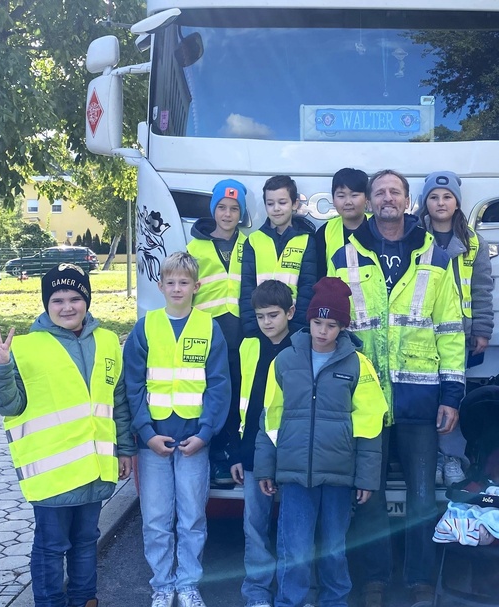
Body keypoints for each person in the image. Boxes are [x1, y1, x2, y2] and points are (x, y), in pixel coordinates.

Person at [328, 169, 466, 607]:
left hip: (419, 397)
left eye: (395, 191)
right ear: (369, 202)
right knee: (368, 496)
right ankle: (375, 580)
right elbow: (336, 329)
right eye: (380, 192)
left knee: (423, 496)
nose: (387, 198)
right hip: (365, 401)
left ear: (409, 200)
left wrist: (452, 394)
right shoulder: (343, 257)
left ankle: (421, 580)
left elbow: (450, 330)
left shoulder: (437, 257)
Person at [0, 263, 135, 607]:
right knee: (51, 546)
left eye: (75, 298)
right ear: (46, 304)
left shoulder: (108, 341)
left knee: (86, 541)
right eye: (57, 299)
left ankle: (85, 601)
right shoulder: (24, 348)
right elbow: (8, 405)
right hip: (52, 473)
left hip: (95, 468)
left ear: (87, 300)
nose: (67, 306)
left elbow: (118, 401)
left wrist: (124, 449)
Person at [254, 277, 388, 607]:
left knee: (334, 550)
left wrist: (367, 476)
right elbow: (270, 419)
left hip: (340, 478)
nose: (322, 331)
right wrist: (264, 468)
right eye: (317, 322)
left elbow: (370, 426)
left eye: (331, 325)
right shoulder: (284, 361)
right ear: (308, 320)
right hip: (295, 476)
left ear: (343, 326)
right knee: (294, 550)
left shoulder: (359, 365)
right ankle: (290, 602)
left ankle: (335, 602)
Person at [123, 251, 231, 607]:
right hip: (152, 439)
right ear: (160, 285)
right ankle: (162, 585)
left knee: (192, 516)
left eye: (184, 282)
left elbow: (218, 384)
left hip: (194, 441)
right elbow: (133, 385)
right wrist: (145, 431)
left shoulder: (208, 326)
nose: (177, 288)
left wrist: (206, 433)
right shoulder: (146, 326)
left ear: (196, 286)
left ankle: (187, 584)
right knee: (155, 518)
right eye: (170, 282)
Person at [418, 170, 495, 487]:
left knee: (453, 399)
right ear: (424, 203)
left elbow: (482, 289)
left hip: (457, 335)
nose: (440, 202)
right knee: (426, 399)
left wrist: (482, 329)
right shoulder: (414, 236)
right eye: (434, 197)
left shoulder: (474, 243)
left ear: (457, 203)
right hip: (420, 331)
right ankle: (431, 457)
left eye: (447, 196)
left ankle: (452, 459)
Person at [229, 279, 296, 607]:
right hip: (254, 449)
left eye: (273, 315)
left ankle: (290, 592)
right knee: (253, 526)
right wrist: (237, 453)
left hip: (291, 451)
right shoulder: (248, 347)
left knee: (292, 528)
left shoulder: (301, 348)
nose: (267, 322)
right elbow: (241, 404)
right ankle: (256, 592)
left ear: (290, 312)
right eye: (260, 316)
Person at [187, 178, 248, 485]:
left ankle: (230, 453)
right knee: (211, 393)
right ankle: (211, 455)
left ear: (241, 213)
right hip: (207, 332)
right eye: (221, 207)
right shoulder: (193, 248)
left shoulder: (249, 244)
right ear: (213, 210)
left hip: (240, 333)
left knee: (237, 393)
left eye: (234, 209)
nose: (227, 214)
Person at [240, 174, 317, 336]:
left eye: (282, 202)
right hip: (261, 327)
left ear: (294, 204)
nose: (276, 208)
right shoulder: (253, 241)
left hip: (294, 327)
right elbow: (247, 288)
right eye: (270, 203)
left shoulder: (306, 240)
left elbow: (307, 288)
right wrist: (252, 327)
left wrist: (299, 327)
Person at [315, 168, 369, 277]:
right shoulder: (325, 232)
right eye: (341, 196)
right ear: (333, 200)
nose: (348, 202)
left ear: (367, 198)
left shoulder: (379, 227)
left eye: (354, 195)